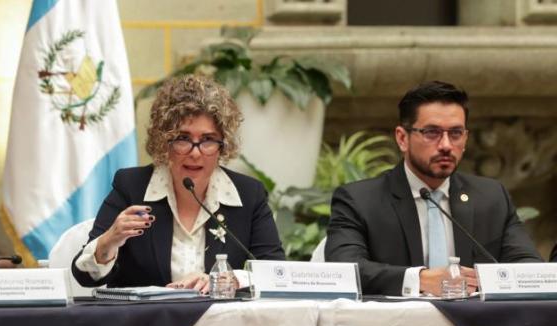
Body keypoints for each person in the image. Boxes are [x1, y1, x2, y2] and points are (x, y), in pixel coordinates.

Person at [325, 81, 542, 296]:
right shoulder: (360, 200)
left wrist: (485, 281)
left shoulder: (491, 197)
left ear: (465, 138)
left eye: (455, 133)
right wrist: (420, 280)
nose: (446, 145)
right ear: (402, 138)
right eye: (432, 132)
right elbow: (344, 269)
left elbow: (529, 268)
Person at [72, 75, 285, 292]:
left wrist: (228, 279)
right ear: (164, 141)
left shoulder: (248, 194)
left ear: (223, 145)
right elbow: (85, 276)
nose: (195, 153)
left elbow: (276, 272)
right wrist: (109, 241)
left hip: (223, 323)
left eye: (208, 140)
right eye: (183, 139)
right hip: (146, 323)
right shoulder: (132, 188)